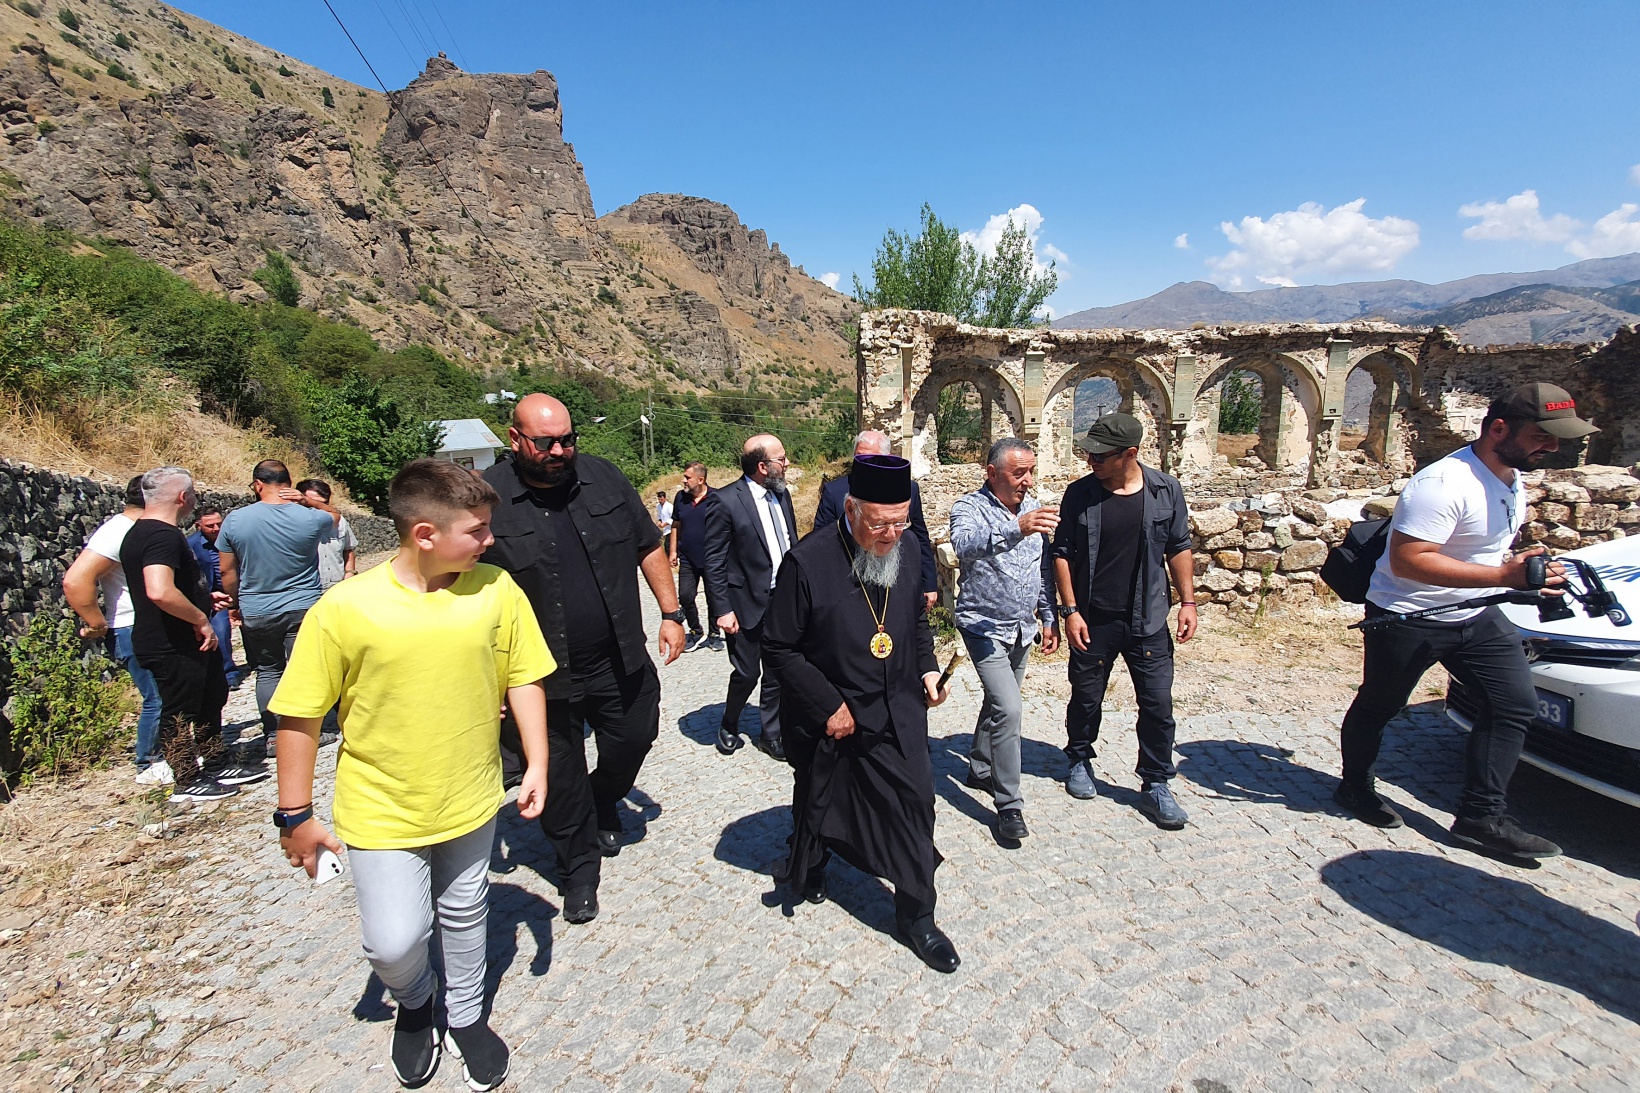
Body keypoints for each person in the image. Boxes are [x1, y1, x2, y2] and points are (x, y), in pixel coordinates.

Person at [270, 459, 553, 1091]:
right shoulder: (346, 609)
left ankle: (466, 1013)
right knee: (394, 942)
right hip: (380, 805)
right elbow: (300, 714)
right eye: (476, 531)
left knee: (465, 909)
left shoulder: (495, 589)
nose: (489, 541)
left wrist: (536, 761)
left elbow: (524, 675)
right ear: (424, 534)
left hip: (472, 794)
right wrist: (295, 816)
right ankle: (416, 998)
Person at [1335, 383, 1597, 860]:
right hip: (1409, 615)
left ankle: (1482, 815)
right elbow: (1410, 559)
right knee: (1380, 704)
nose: (1555, 447)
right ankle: (1354, 787)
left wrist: (1520, 567)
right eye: (1544, 435)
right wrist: (1503, 575)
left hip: (1476, 613)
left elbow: (1477, 549)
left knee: (1514, 705)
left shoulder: (1511, 477)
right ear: (1499, 428)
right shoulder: (1444, 484)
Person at [481, 393, 686, 925]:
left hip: (618, 657)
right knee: (558, 776)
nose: (559, 450)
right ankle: (577, 870)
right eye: (545, 441)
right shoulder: (488, 500)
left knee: (636, 734)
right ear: (515, 439)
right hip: (536, 678)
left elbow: (647, 545)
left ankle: (605, 798)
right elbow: (461, 590)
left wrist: (671, 612)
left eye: (567, 439)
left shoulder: (604, 477)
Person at [764, 454, 957, 972]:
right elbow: (778, 647)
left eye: (901, 520)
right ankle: (813, 860)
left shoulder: (910, 548)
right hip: (834, 713)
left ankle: (918, 917)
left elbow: (916, 623)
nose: (891, 534)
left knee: (917, 805)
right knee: (819, 795)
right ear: (850, 509)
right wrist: (828, 705)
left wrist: (928, 670)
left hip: (898, 710)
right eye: (880, 523)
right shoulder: (808, 563)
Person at [1051, 413, 1198, 829]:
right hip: (1094, 619)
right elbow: (1062, 553)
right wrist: (1071, 610)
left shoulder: (1166, 489)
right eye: (1087, 451)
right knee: (1085, 696)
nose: (1090, 459)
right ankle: (1079, 758)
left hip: (1147, 618)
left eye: (1099, 454)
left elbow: (1179, 546)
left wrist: (1188, 602)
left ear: (1129, 453)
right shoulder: (1079, 494)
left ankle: (1156, 782)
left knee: (1157, 703)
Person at [119, 467, 265, 799]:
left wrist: (201, 596)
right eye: (194, 493)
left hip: (183, 639)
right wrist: (200, 619)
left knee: (209, 699)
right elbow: (158, 590)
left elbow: (167, 586)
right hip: (171, 642)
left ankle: (215, 762)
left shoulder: (144, 532)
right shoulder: (161, 535)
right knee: (180, 710)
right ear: (184, 497)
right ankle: (186, 779)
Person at [949, 438, 1060, 843]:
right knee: (1010, 709)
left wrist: (1049, 616)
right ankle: (1009, 804)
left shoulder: (1035, 510)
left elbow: (1041, 570)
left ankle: (979, 766)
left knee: (997, 701)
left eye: (1031, 472)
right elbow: (964, 546)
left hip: (1022, 629)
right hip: (982, 627)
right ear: (992, 473)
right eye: (1019, 473)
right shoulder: (969, 508)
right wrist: (1017, 528)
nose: (1027, 481)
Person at [216, 460, 336, 758]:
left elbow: (227, 572)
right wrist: (307, 499)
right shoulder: (309, 518)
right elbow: (334, 515)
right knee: (305, 669)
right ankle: (313, 730)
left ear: (257, 484)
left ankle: (273, 735)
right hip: (303, 606)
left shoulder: (235, 520)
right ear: (288, 483)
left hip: (258, 607)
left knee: (268, 671)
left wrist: (235, 603)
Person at [62, 476, 166, 780]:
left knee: (166, 693)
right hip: (129, 626)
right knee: (156, 696)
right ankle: (148, 762)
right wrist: (96, 622)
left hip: (142, 624)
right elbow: (75, 579)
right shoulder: (119, 531)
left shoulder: (136, 527)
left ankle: (166, 756)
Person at [703, 433, 799, 760]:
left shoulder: (782, 495)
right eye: (781, 459)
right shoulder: (726, 500)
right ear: (762, 466)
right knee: (747, 672)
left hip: (782, 599)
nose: (787, 464)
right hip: (744, 604)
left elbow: (791, 544)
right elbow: (713, 560)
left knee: (776, 669)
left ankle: (770, 734)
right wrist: (722, 609)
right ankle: (729, 722)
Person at [811, 430, 939, 610]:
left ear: (887, 458)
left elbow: (920, 535)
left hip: (895, 577)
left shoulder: (908, 490)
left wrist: (930, 583)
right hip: (849, 581)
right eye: (858, 458)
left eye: (870, 459)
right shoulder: (834, 492)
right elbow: (820, 543)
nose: (862, 465)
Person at [185, 505, 246, 691]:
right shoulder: (190, 545)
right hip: (212, 597)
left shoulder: (232, 538)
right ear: (198, 526)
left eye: (219, 524)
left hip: (238, 591)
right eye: (210, 525)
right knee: (221, 631)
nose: (216, 529)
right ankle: (229, 673)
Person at [670, 462, 724, 653]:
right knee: (685, 596)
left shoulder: (717, 497)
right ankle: (695, 630)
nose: (683, 480)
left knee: (714, 598)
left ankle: (714, 634)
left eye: (687, 477)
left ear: (700, 480)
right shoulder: (680, 498)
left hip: (712, 559)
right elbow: (675, 525)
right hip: (687, 558)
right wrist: (673, 551)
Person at [292, 478, 357, 590]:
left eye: (322, 504)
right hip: (305, 591)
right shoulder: (290, 523)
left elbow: (348, 549)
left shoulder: (340, 522)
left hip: (336, 588)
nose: (317, 508)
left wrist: (350, 573)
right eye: (311, 503)